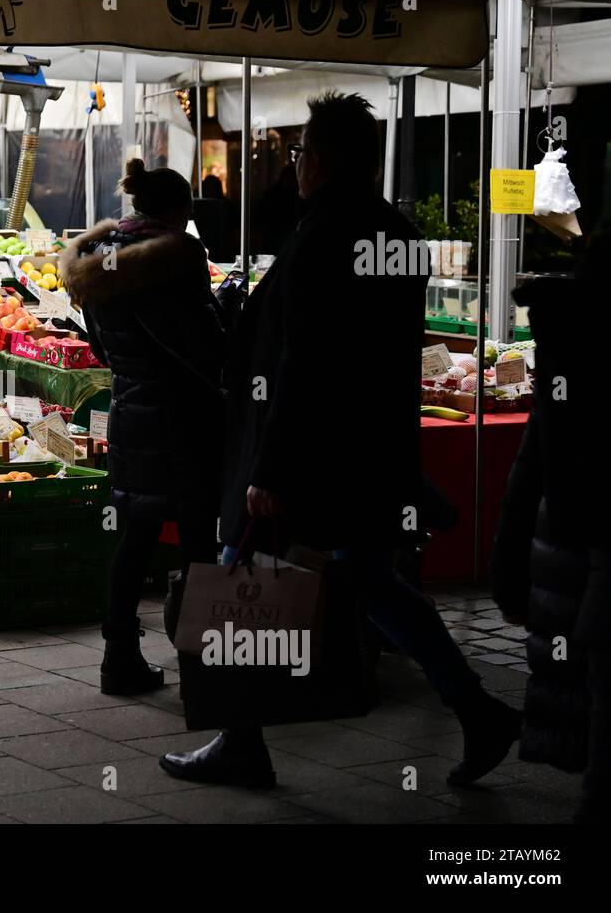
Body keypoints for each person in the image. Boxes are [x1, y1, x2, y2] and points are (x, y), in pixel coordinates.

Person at [161, 92, 520, 789]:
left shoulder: (324, 234)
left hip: (313, 454)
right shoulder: (394, 232)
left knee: (252, 588)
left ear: (316, 162)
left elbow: (308, 359)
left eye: (298, 155)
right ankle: (477, 710)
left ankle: (243, 738)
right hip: (373, 448)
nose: (295, 168)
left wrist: (269, 468)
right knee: (374, 582)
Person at [61, 160, 228, 696]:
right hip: (185, 416)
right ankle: (202, 670)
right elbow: (202, 342)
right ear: (180, 209)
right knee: (201, 540)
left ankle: (119, 658)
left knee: (136, 535)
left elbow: (104, 345)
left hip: (130, 411)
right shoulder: (178, 256)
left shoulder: (98, 257)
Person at [492, 231, 611, 823]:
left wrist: (509, 570)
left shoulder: (568, 350)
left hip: (571, 558)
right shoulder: (578, 354)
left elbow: (529, 469)